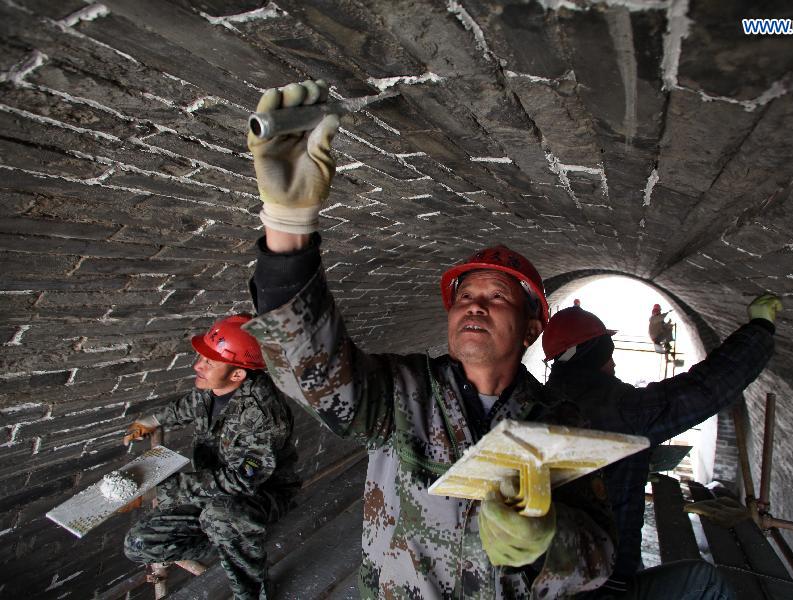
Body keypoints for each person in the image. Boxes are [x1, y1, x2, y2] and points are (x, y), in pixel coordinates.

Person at [241, 80, 616, 598]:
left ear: (533, 327)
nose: (474, 305)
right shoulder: (402, 393)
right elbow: (314, 372)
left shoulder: (559, 424)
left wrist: (546, 542)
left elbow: (601, 556)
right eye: (464, 297)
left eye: (497, 297)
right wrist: (288, 229)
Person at [543, 294, 783, 598]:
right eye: (608, 353)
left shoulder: (545, 401)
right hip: (601, 586)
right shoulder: (620, 409)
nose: (614, 362)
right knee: (704, 582)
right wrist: (760, 328)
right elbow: (706, 388)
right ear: (593, 355)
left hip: (561, 578)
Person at [121, 314, 299, 600]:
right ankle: (229, 541)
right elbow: (190, 405)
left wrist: (160, 488)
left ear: (238, 374)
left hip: (259, 495)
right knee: (139, 544)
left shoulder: (263, 415)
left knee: (223, 516)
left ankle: (253, 591)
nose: (197, 366)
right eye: (201, 358)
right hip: (211, 490)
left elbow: (242, 481)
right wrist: (151, 419)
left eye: (209, 362)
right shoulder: (216, 388)